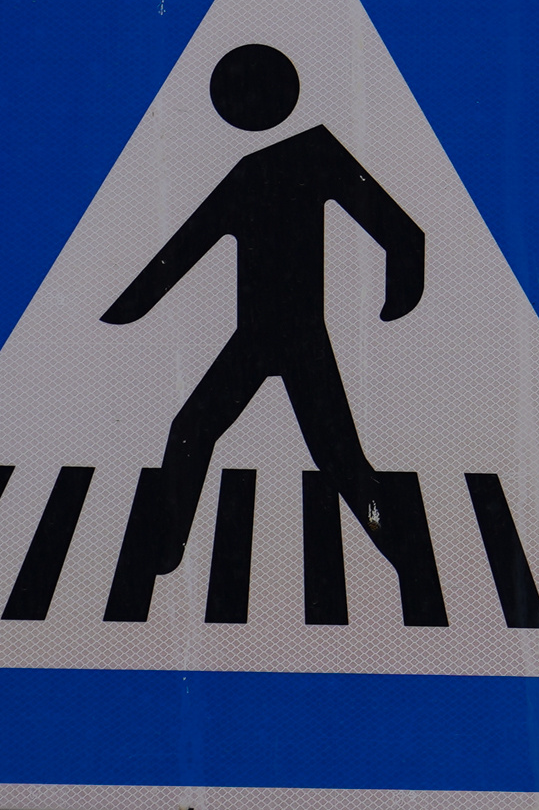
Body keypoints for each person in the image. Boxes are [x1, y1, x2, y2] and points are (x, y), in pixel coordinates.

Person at [97, 42, 437, 620]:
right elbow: (181, 254)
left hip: (299, 337)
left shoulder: (309, 155)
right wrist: (127, 308)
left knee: (335, 456)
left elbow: (401, 231)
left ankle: (400, 547)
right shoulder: (258, 171)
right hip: (255, 338)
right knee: (194, 429)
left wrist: (400, 288)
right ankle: (168, 544)